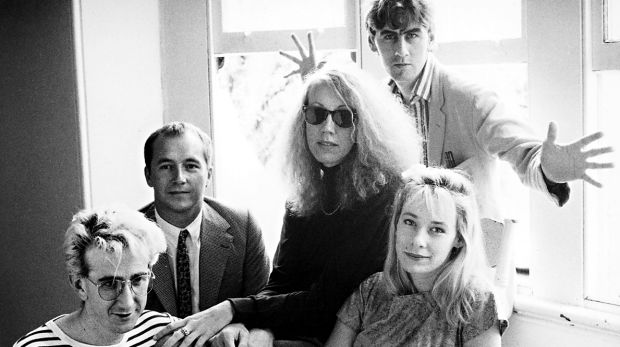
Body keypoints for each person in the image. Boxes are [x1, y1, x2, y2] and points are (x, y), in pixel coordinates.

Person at [153, 64, 422, 346]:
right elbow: (282, 282)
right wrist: (254, 328)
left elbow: (326, 303)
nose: (327, 128)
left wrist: (232, 310)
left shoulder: (385, 194)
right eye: (316, 114)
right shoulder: (307, 193)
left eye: (343, 117)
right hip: (306, 331)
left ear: (364, 125)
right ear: (303, 120)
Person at [280, 0, 613, 227]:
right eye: (389, 37)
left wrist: (549, 169)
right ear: (372, 42)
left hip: (478, 248)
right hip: (411, 253)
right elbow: (339, 151)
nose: (401, 50)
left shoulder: (470, 98)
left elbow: (525, 154)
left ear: (431, 38)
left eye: (412, 35)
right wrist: (312, 84)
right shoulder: (375, 105)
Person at [326, 167, 501, 346]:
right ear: (396, 224)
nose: (418, 240)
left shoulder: (475, 302)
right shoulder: (370, 290)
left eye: (437, 229)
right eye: (410, 222)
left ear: (459, 239)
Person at [141, 121, 270, 319]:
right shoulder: (125, 237)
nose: (179, 178)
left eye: (191, 166)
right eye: (166, 166)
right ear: (148, 175)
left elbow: (263, 307)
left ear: (208, 175)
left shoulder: (244, 228)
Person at [13, 208, 174, 347]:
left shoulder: (166, 331)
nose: (127, 302)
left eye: (137, 280)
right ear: (79, 285)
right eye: (110, 284)